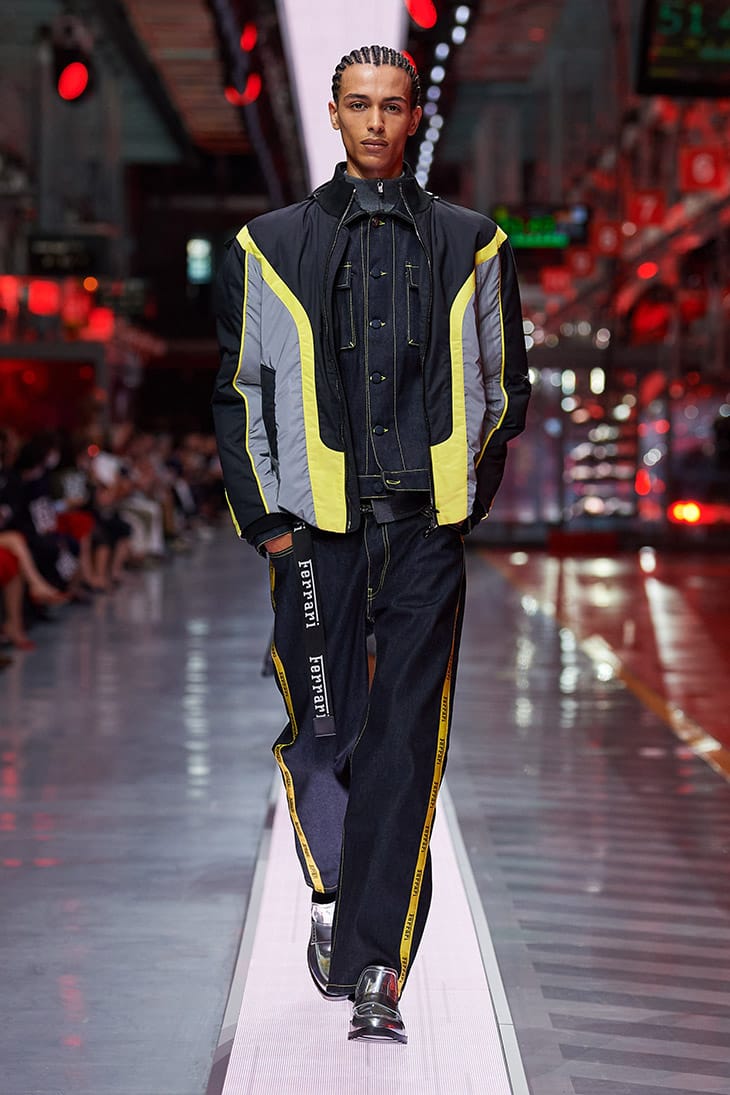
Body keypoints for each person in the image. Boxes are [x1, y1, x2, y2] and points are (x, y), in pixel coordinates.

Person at [212, 44, 530, 1044]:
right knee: (323, 731)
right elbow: (241, 390)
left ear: (413, 115)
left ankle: (374, 967)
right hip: (317, 537)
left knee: (405, 744)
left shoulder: (475, 242)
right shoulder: (268, 245)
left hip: (423, 531)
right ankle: (337, 884)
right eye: (360, 105)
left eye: (394, 105)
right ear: (336, 113)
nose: (378, 122)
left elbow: (504, 384)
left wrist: (464, 498)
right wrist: (269, 523)